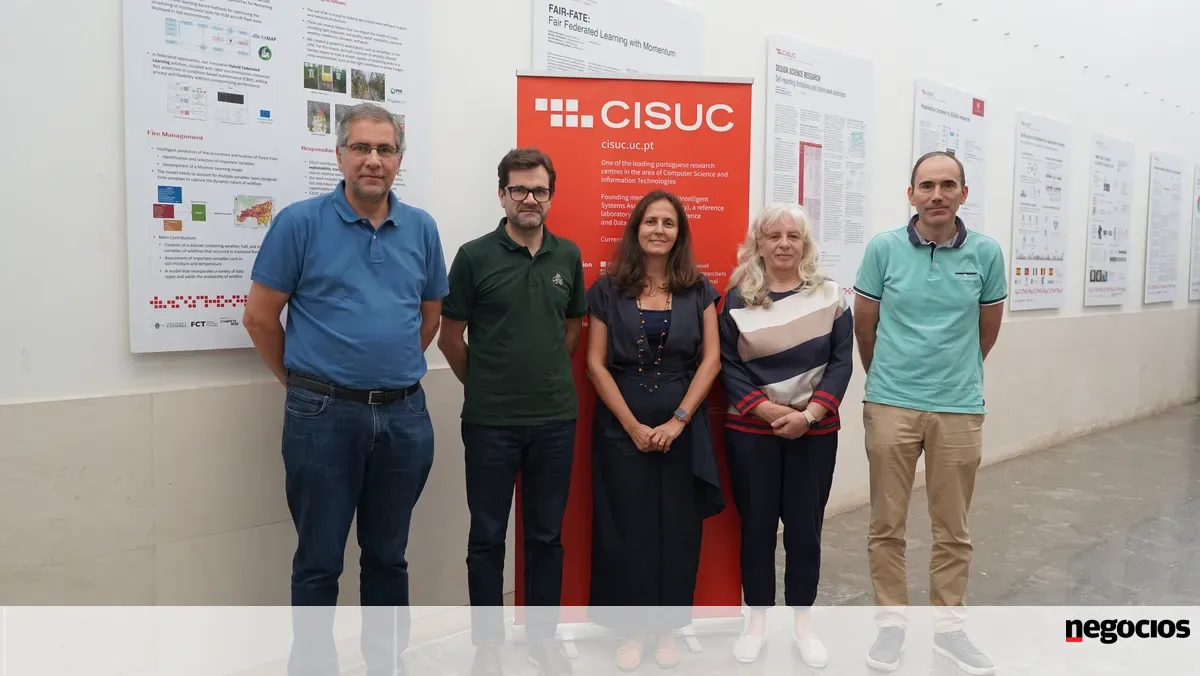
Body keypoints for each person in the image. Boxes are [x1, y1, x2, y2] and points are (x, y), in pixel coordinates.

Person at [243, 102, 447, 676]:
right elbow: (259, 317)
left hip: (404, 416)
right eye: (361, 148)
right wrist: (301, 383)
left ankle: (386, 664)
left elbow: (430, 315)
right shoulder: (299, 223)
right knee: (319, 560)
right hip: (323, 416)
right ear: (338, 156)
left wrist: (389, 367)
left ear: (399, 160)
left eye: (385, 149)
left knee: (388, 557)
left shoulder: (422, 228)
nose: (373, 160)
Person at [852, 151, 1006, 675]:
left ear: (963, 193)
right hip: (891, 403)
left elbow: (986, 332)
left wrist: (954, 374)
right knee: (886, 525)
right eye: (926, 185)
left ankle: (948, 631)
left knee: (953, 529)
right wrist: (887, 380)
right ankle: (891, 627)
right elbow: (865, 327)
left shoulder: (986, 253)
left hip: (958, 407)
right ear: (911, 193)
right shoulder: (884, 249)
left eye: (947, 185)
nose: (936, 195)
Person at [437, 148, 585, 676]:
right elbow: (450, 337)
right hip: (490, 423)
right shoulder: (473, 256)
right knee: (486, 536)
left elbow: (573, 326)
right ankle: (488, 645)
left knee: (546, 536)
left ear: (550, 196)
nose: (529, 198)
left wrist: (542, 375)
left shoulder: (567, 256)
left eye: (539, 190)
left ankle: (542, 638)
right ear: (501, 194)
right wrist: (486, 386)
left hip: (554, 421)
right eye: (519, 189)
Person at [583, 190, 725, 671]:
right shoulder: (607, 290)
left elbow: (711, 360)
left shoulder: (699, 290)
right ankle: (633, 630)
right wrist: (633, 426)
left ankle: (666, 630)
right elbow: (595, 364)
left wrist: (677, 421)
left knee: (678, 530)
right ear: (636, 229)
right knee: (627, 528)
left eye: (668, 223)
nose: (659, 230)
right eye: (650, 221)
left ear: (679, 233)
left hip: (684, 431)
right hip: (621, 431)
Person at [717, 204, 853, 668]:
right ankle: (756, 621)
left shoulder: (831, 296)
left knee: (804, 529)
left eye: (793, 236)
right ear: (758, 243)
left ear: (805, 243)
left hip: (814, 432)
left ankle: (802, 623)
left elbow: (841, 362)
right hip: (751, 433)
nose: (783, 244)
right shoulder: (736, 299)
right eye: (773, 235)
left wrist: (809, 416)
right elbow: (728, 366)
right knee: (756, 527)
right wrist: (768, 410)